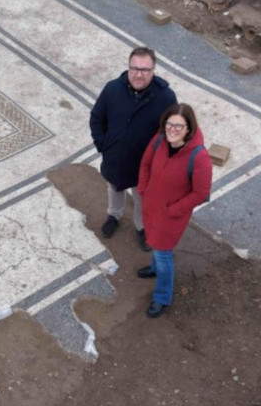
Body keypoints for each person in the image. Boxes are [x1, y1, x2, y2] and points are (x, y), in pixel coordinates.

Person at [89, 46, 177, 251]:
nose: (139, 74)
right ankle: (114, 215)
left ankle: (142, 227)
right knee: (114, 188)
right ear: (128, 68)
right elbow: (97, 118)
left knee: (142, 197)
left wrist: (160, 162)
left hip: (144, 165)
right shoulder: (112, 89)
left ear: (153, 71)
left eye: (145, 70)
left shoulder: (165, 97)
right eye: (135, 68)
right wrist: (103, 145)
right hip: (115, 158)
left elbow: (172, 133)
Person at [136, 103, 212, 318]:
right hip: (151, 206)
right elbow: (145, 163)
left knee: (163, 254)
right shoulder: (159, 139)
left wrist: (173, 210)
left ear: (189, 128)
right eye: (170, 124)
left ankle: (162, 297)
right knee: (153, 241)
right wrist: (143, 188)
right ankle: (153, 268)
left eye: (179, 126)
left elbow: (201, 193)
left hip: (171, 216)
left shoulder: (199, 157)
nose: (172, 129)